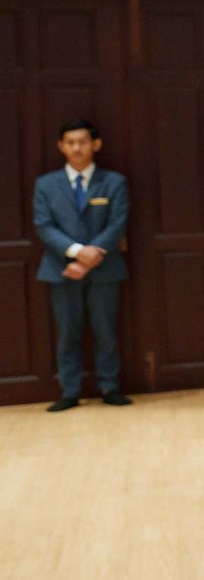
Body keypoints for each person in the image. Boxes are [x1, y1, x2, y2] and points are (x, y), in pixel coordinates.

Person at [32, 120, 130, 411]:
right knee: (67, 333)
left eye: (83, 142)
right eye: (70, 142)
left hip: (104, 268)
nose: (77, 148)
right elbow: (44, 225)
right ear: (61, 146)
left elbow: (117, 224)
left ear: (95, 145)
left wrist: (89, 259)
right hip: (62, 269)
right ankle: (70, 391)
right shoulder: (45, 185)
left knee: (106, 331)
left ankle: (109, 386)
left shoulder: (114, 182)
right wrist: (76, 253)